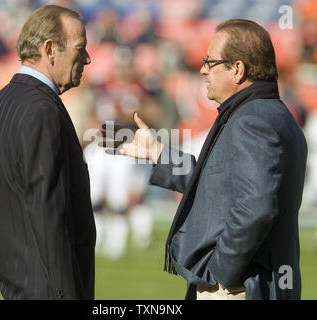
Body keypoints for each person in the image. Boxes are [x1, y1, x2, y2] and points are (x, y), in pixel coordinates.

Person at [101, 19, 308, 300]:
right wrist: (158, 152)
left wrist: (222, 272)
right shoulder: (266, 113)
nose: (202, 70)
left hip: (240, 287)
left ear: (237, 69)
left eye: (210, 62)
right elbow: (216, 184)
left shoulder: (253, 120)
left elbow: (255, 209)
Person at [0, 5, 96, 300]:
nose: (87, 58)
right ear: (50, 49)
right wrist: (63, 291)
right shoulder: (43, 110)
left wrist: (16, 265)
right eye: (81, 48)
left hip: (17, 285)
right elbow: (49, 210)